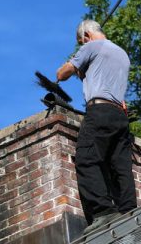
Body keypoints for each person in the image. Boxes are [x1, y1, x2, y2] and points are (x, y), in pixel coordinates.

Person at [56, 19, 136, 234]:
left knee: (86, 157)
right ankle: (129, 210)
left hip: (99, 112)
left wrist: (71, 62)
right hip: (120, 114)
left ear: (86, 36)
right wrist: (83, 72)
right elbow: (100, 77)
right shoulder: (121, 53)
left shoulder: (89, 46)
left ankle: (102, 212)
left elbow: (62, 74)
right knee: (120, 164)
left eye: (81, 41)